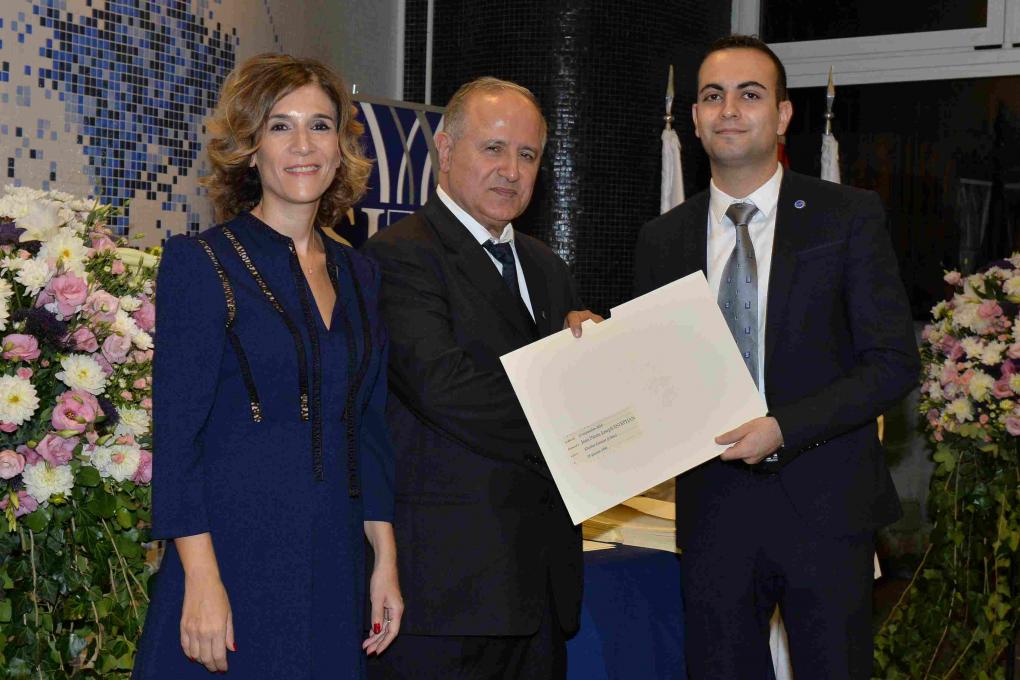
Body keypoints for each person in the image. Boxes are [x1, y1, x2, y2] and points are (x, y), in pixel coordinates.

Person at [634, 35, 919, 680]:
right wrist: (596, 343)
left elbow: (892, 362)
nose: (729, 110)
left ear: (783, 114)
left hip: (826, 504)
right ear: (695, 119)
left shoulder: (846, 216)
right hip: (713, 511)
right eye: (713, 96)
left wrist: (783, 427)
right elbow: (653, 369)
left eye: (750, 94)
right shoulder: (662, 238)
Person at [133, 53, 403, 679]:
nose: (303, 145)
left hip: (336, 558)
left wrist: (384, 559)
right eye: (281, 126)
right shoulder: (202, 263)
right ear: (250, 149)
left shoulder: (361, 274)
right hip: (231, 557)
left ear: (340, 145)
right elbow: (178, 438)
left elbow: (368, 429)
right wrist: (200, 579)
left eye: (320, 125)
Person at [362, 77, 600, 680]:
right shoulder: (399, 255)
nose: (511, 171)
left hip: (541, 586)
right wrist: (582, 400)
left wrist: (597, 358)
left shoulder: (548, 267)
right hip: (450, 590)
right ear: (444, 149)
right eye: (493, 148)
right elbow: (448, 389)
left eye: (528, 154)